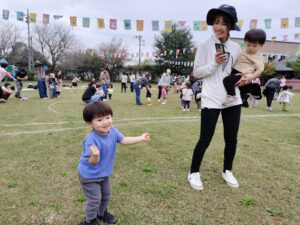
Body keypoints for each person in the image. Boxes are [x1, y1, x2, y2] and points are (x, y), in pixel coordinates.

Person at [188, 4, 248, 191]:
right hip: (211, 98)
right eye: (216, 22)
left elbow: (239, 71)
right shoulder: (205, 46)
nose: (218, 26)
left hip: (232, 99)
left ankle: (227, 170)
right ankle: (194, 172)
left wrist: (244, 79)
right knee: (205, 138)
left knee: (232, 138)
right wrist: (214, 63)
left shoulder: (236, 47)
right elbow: (197, 72)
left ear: (230, 25)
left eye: (223, 23)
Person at [78, 102, 150, 225]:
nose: (106, 122)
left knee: (106, 195)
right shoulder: (91, 140)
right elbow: (92, 163)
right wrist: (95, 155)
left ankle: (101, 213)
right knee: (95, 199)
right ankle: (89, 221)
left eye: (108, 117)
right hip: (89, 176)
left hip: (104, 174)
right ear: (90, 124)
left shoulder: (113, 131)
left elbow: (124, 140)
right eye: (100, 120)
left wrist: (141, 138)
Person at [222, 28, 266, 107]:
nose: (251, 48)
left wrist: (250, 77)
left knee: (227, 80)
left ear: (261, 46)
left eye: (254, 46)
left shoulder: (258, 57)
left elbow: (260, 69)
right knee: (237, 85)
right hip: (235, 70)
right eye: (248, 45)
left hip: (243, 74)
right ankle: (252, 89)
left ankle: (232, 96)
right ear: (245, 42)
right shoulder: (242, 51)